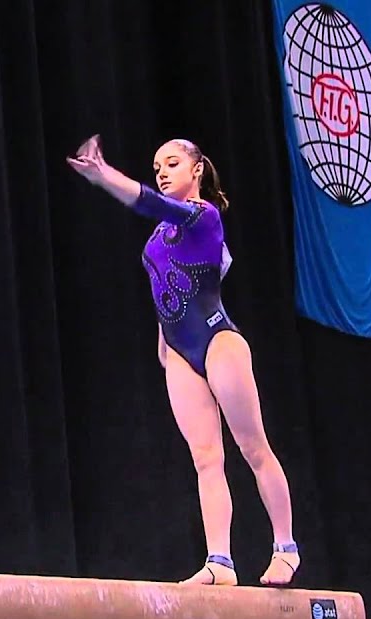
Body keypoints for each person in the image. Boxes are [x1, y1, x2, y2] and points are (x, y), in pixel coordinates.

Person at [66, 134, 300, 587]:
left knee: (253, 448)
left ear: (196, 170)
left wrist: (103, 177)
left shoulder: (203, 216)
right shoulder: (159, 236)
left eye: (172, 163)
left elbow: (151, 204)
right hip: (178, 351)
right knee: (206, 459)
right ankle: (220, 563)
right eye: (156, 167)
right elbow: (165, 281)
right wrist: (162, 337)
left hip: (217, 341)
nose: (162, 172)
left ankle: (285, 547)